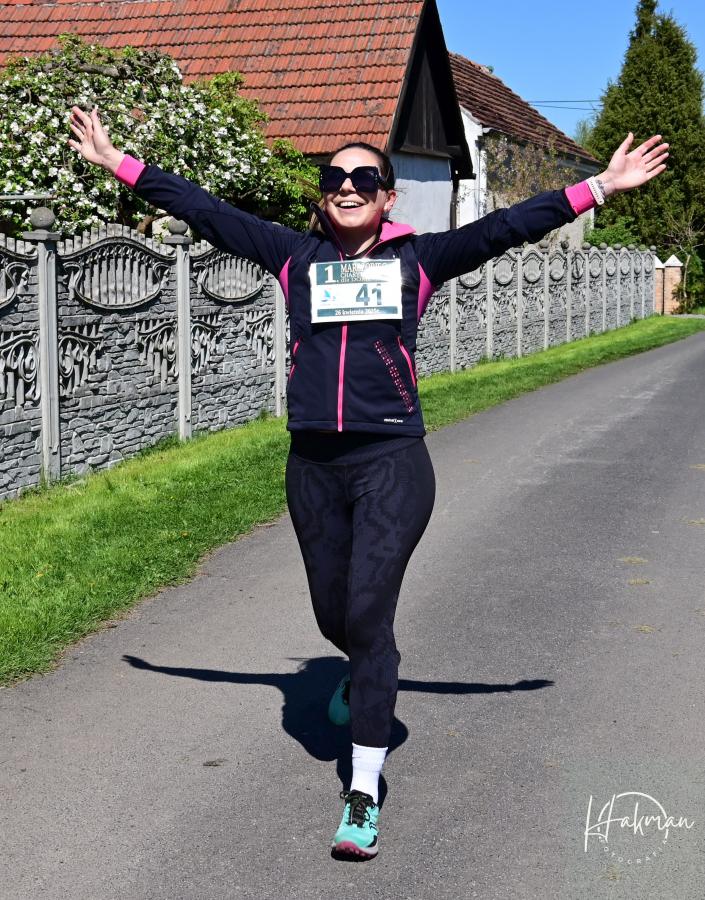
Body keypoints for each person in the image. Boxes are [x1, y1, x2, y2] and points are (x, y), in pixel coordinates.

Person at [67, 105, 668, 859]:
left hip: (391, 462)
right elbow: (205, 210)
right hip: (313, 467)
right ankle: (359, 668)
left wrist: (599, 188)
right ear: (323, 194)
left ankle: (362, 793)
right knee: (336, 617)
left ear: (388, 197)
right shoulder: (292, 256)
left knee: (369, 617)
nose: (347, 186)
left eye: (364, 177)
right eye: (334, 177)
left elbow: (508, 226)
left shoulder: (420, 259)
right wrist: (119, 163)